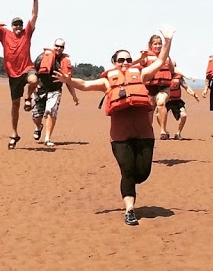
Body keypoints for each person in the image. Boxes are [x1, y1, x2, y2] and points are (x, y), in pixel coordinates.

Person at [61, 27, 175, 226]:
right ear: (114, 63)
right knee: (127, 172)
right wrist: (68, 80)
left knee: (143, 172)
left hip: (144, 134)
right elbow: (85, 84)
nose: (125, 63)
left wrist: (167, 41)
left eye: (128, 60)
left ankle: (131, 185)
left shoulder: (141, 75)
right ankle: (129, 210)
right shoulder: (107, 81)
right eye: (121, 60)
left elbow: (159, 62)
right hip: (120, 137)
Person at [0, 0, 39, 149]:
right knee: (15, 105)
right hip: (12, 73)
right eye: (15, 24)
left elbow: (34, 14)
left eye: (20, 24)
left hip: (27, 68)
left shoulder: (27, 33)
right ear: (12, 26)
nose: (18, 27)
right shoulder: (5, 34)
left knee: (34, 80)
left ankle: (29, 98)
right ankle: (14, 133)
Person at [30, 38, 79, 147]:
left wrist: (74, 96)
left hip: (55, 90)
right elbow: (33, 71)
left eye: (61, 47)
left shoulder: (64, 62)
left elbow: (68, 81)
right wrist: (34, 85)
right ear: (54, 46)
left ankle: (47, 138)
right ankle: (38, 127)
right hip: (41, 88)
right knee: (36, 116)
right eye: (57, 46)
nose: (59, 48)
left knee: (51, 111)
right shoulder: (42, 57)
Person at [139, 34, 179, 140]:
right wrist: (143, 57)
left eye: (160, 44)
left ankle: (163, 130)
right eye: (155, 44)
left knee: (161, 103)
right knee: (150, 109)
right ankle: (148, 131)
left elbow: (172, 69)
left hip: (164, 87)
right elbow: (141, 63)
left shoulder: (166, 57)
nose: (158, 46)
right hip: (150, 87)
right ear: (150, 45)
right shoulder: (147, 57)